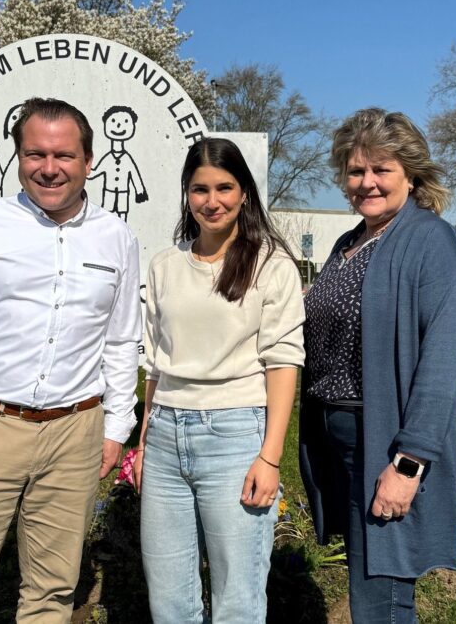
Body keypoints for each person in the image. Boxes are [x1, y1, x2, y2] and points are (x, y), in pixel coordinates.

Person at [0, 97, 142, 622]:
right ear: (18, 158)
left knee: (53, 596)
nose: (49, 168)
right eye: (35, 153)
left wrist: (116, 425)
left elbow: (121, 339)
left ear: (88, 161)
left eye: (64, 155)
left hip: (75, 432)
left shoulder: (116, 238)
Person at [298, 108, 456, 623]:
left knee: (382, 598)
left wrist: (409, 464)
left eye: (382, 170)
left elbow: (446, 362)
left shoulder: (433, 245)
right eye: (356, 172)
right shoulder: (348, 243)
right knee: (367, 581)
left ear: (411, 174)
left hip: (384, 441)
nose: (367, 183)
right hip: (338, 436)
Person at [132, 137, 305, 624]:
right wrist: (144, 441)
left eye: (224, 187)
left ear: (245, 192)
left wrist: (269, 456)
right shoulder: (165, 266)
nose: (213, 201)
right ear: (186, 195)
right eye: (199, 189)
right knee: (168, 601)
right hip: (165, 436)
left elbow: (284, 362)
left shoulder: (271, 265)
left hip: (235, 437)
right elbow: (156, 363)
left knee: (237, 600)